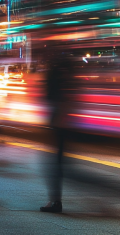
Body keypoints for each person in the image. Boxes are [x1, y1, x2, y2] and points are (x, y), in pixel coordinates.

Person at [40, 46, 72, 214]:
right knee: (57, 162)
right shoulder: (63, 67)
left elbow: (53, 96)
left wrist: (58, 120)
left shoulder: (56, 69)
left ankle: (55, 202)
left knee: (55, 163)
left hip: (59, 120)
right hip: (61, 120)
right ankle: (55, 200)